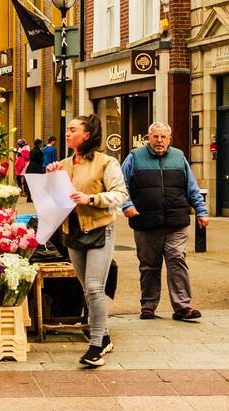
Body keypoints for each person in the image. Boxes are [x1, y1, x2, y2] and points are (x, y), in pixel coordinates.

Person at [47, 115, 127, 368]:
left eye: (73, 130)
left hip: (100, 229)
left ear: (88, 134)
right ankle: (103, 336)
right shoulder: (62, 164)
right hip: (72, 232)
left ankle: (94, 348)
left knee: (94, 288)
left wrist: (90, 199)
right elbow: (55, 200)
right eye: (68, 130)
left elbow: (120, 195)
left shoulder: (107, 162)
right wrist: (51, 179)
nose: (67, 133)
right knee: (86, 289)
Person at [120, 122, 208, 321]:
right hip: (145, 222)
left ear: (169, 139)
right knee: (149, 266)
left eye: (163, 137)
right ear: (148, 138)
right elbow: (120, 184)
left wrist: (202, 211)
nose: (159, 141)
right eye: (155, 137)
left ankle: (183, 307)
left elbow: (192, 187)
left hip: (176, 222)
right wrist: (127, 205)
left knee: (176, 259)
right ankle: (148, 306)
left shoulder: (178, 157)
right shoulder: (135, 157)